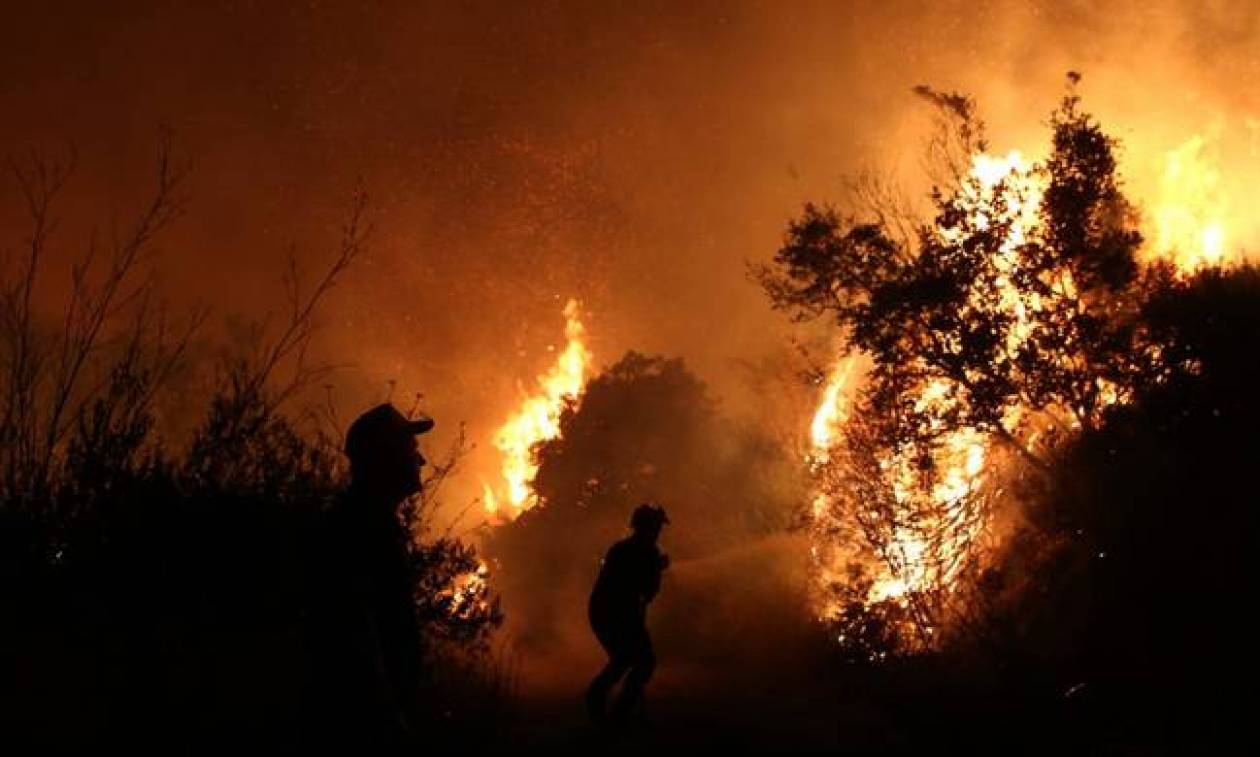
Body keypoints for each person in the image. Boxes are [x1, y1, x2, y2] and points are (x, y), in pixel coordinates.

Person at [305, 403, 433, 750]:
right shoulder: (358, 528)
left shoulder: (372, 521)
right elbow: (354, 630)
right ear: (386, 457)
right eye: (411, 451)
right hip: (362, 725)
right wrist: (388, 718)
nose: (420, 462)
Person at [585, 502, 670, 725]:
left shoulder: (621, 548)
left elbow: (642, 590)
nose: (659, 532)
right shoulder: (645, 552)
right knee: (641, 661)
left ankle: (605, 704)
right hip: (615, 612)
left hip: (605, 610)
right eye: (656, 527)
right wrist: (657, 569)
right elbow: (646, 591)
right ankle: (617, 711)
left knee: (627, 659)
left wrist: (654, 569)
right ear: (645, 528)